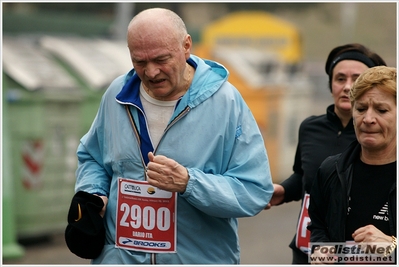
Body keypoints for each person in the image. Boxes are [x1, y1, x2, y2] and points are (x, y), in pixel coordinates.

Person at [69, 7, 273, 264]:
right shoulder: (116, 94)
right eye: (139, 62)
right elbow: (92, 157)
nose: (151, 72)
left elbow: (254, 190)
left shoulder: (227, 102)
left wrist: (189, 183)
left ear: (186, 46)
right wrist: (93, 193)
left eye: (161, 59)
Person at [265, 43, 387, 264]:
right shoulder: (310, 127)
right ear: (330, 84)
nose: (348, 86)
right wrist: (283, 190)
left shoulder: (374, 136)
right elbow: (305, 174)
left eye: (357, 79)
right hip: (306, 248)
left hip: (354, 253)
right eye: (340, 78)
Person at [308, 66, 397, 264]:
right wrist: (321, 248)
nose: (368, 119)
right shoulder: (330, 170)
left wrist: (392, 247)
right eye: (361, 109)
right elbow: (318, 226)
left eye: (381, 110)